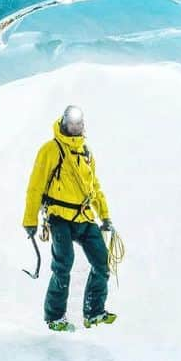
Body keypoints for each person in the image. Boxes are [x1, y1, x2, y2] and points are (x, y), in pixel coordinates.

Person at [22, 104, 117, 332]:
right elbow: (35, 186)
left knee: (102, 262)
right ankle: (54, 316)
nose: (75, 127)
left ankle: (94, 312)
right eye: (71, 123)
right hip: (58, 216)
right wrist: (30, 220)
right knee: (63, 264)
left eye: (78, 124)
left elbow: (94, 187)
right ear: (64, 123)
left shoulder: (86, 152)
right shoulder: (51, 150)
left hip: (83, 215)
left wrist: (105, 216)